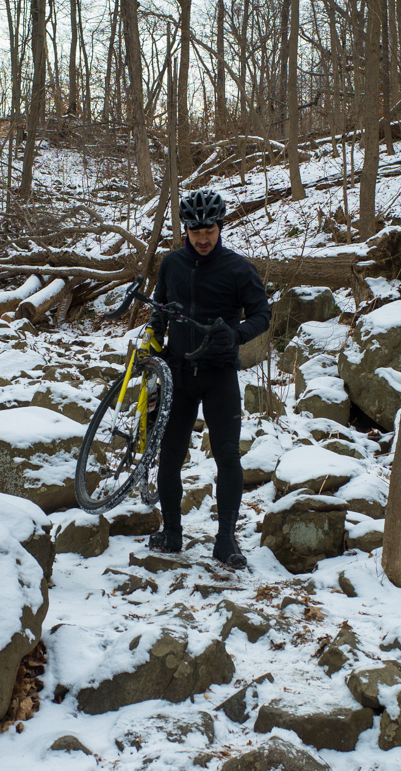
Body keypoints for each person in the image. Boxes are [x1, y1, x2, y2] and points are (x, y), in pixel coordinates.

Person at [144, 189, 270, 569]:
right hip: (178, 373)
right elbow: (160, 306)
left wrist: (237, 335)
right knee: (170, 455)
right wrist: (154, 335)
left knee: (227, 456)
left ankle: (225, 540)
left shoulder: (238, 268)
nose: (202, 239)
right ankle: (172, 532)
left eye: (209, 231)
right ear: (185, 229)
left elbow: (262, 314)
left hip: (219, 374)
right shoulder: (171, 264)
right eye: (195, 231)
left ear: (220, 227)